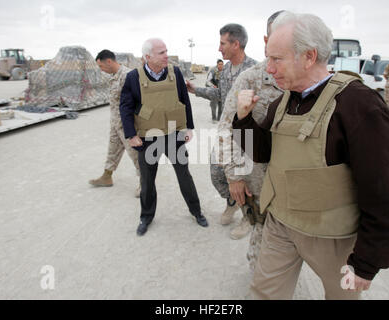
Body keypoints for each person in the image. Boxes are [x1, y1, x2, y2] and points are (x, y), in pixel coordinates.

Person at [233, 11, 389, 299]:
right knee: (263, 293)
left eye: (277, 59)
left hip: (334, 239)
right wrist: (243, 120)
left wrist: (366, 263)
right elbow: (263, 153)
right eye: (268, 58)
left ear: (310, 56)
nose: (269, 68)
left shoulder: (359, 105)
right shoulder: (284, 101)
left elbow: (386, 191)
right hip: (280, 226)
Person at [120, 38, 208, 236]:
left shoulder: (174, 72)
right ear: (147, 56)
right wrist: (131, 135)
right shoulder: (134, 77)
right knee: (147, 181)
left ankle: (196, 212)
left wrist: (188, 127)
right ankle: (146, 217)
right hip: (148, 138)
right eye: (161, 52)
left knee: (184, 176)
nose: (166, 55)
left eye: (166, 51)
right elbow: (125, 107)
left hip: (173, 135)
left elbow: (184, 100)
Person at [219, 11, 283, 271]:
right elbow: (227, 127)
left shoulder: (307, 81)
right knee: (261, 239)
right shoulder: (252, 78)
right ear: (267, 39)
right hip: (259, 177)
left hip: (294, 183)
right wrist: (234, 175)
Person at [186, 23, 257, 240]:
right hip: (226, 133)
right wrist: (196, 89)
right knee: (217, 173)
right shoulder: (225, 69)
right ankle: (232, 202)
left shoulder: (255, 70)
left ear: (236, 44)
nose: (219, 48)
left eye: (223, 43)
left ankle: (249, 216)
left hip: (247, 136)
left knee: (246, 179)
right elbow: (221, 96)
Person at [89, 50, 140, 197]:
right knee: (112, 150)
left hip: (127, 124)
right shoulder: (113, 77)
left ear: (109, 61)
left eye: (101, 66)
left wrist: (132, 126)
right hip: (115, 122)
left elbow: (136, 101)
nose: (101, 69)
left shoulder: (128, 75)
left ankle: (145, 182)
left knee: (135, 153)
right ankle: (107, 176)